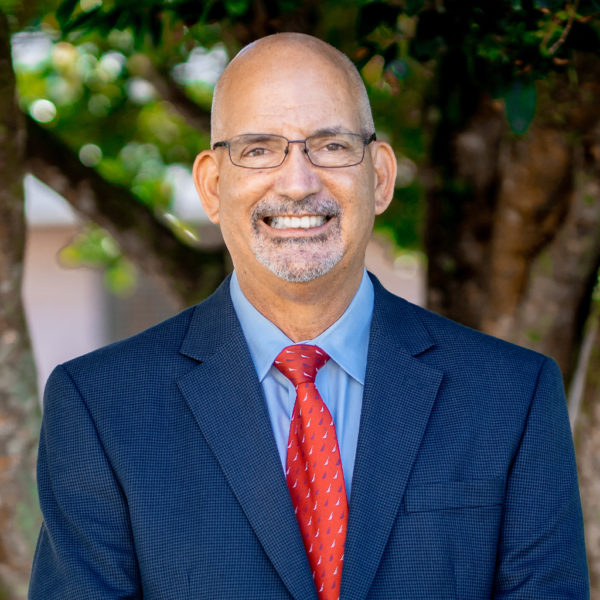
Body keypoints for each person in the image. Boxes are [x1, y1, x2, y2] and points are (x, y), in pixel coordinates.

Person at [29, 32, 589, 599]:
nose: (298, 183)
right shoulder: (101, 408)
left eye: (331, 145)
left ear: (380, 177)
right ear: (213, 185)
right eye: (258, 149)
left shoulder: (512, 396)